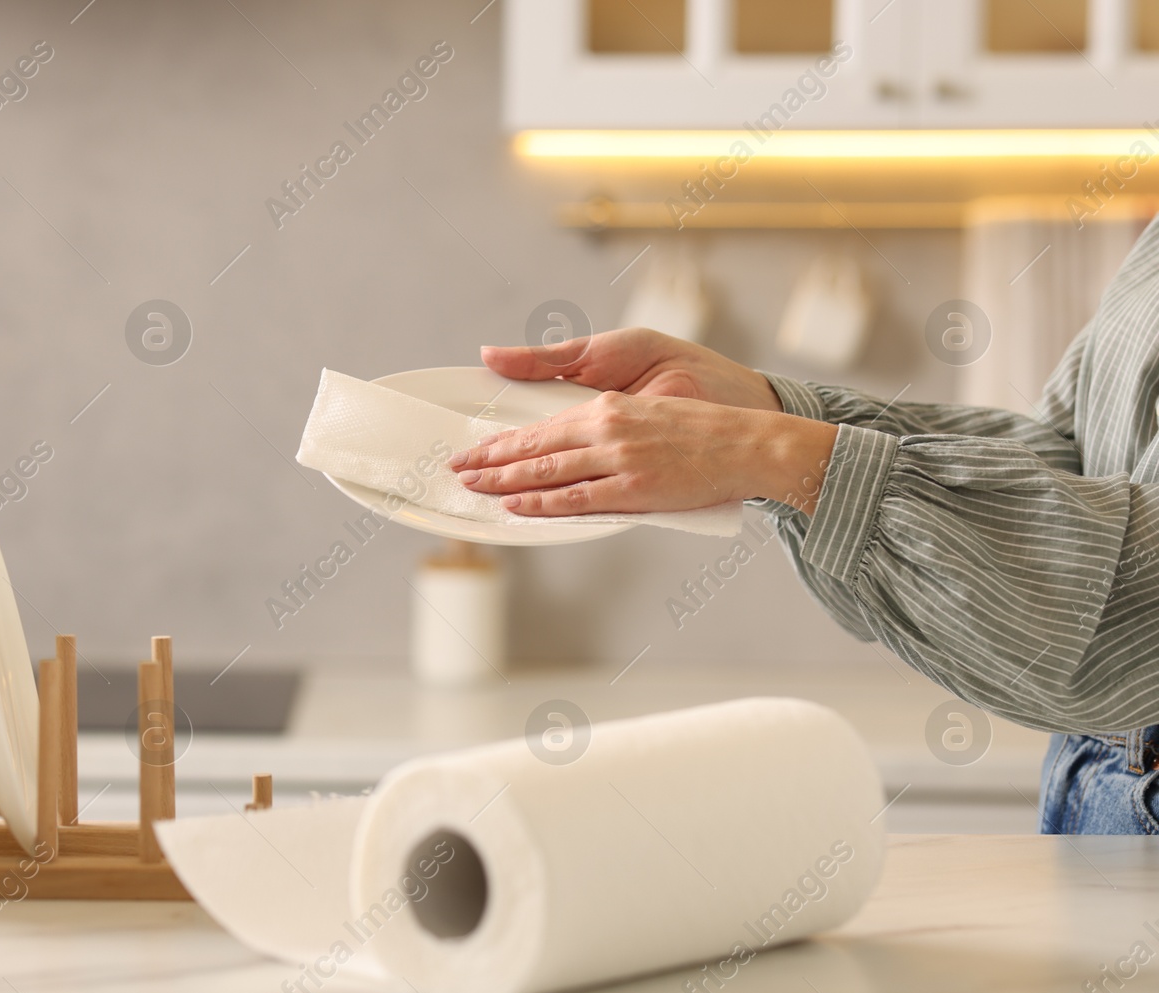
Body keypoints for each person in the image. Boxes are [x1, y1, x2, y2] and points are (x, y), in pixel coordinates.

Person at [451, 218, 1159, 835]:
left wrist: (766, 454)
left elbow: (1130, 618)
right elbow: (1073, 459)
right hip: (1096, 774)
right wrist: (768, 412)